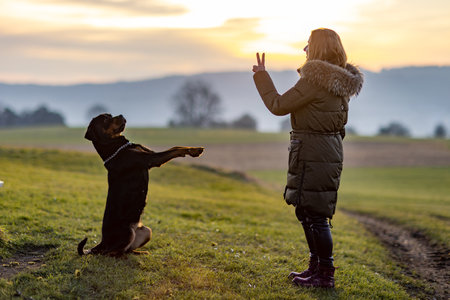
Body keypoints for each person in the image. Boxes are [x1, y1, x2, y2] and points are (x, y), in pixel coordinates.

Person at [252, 28, 363, 288]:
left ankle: (324, 275)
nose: (304, 49)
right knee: (307, 211)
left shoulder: (315, 80)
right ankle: (316, 268)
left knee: (315, 215)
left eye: (308, 44)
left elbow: (278, 105)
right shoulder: (340, 81)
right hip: (327, 150)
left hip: (313, 152)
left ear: (318, 49)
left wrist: (261, 77)